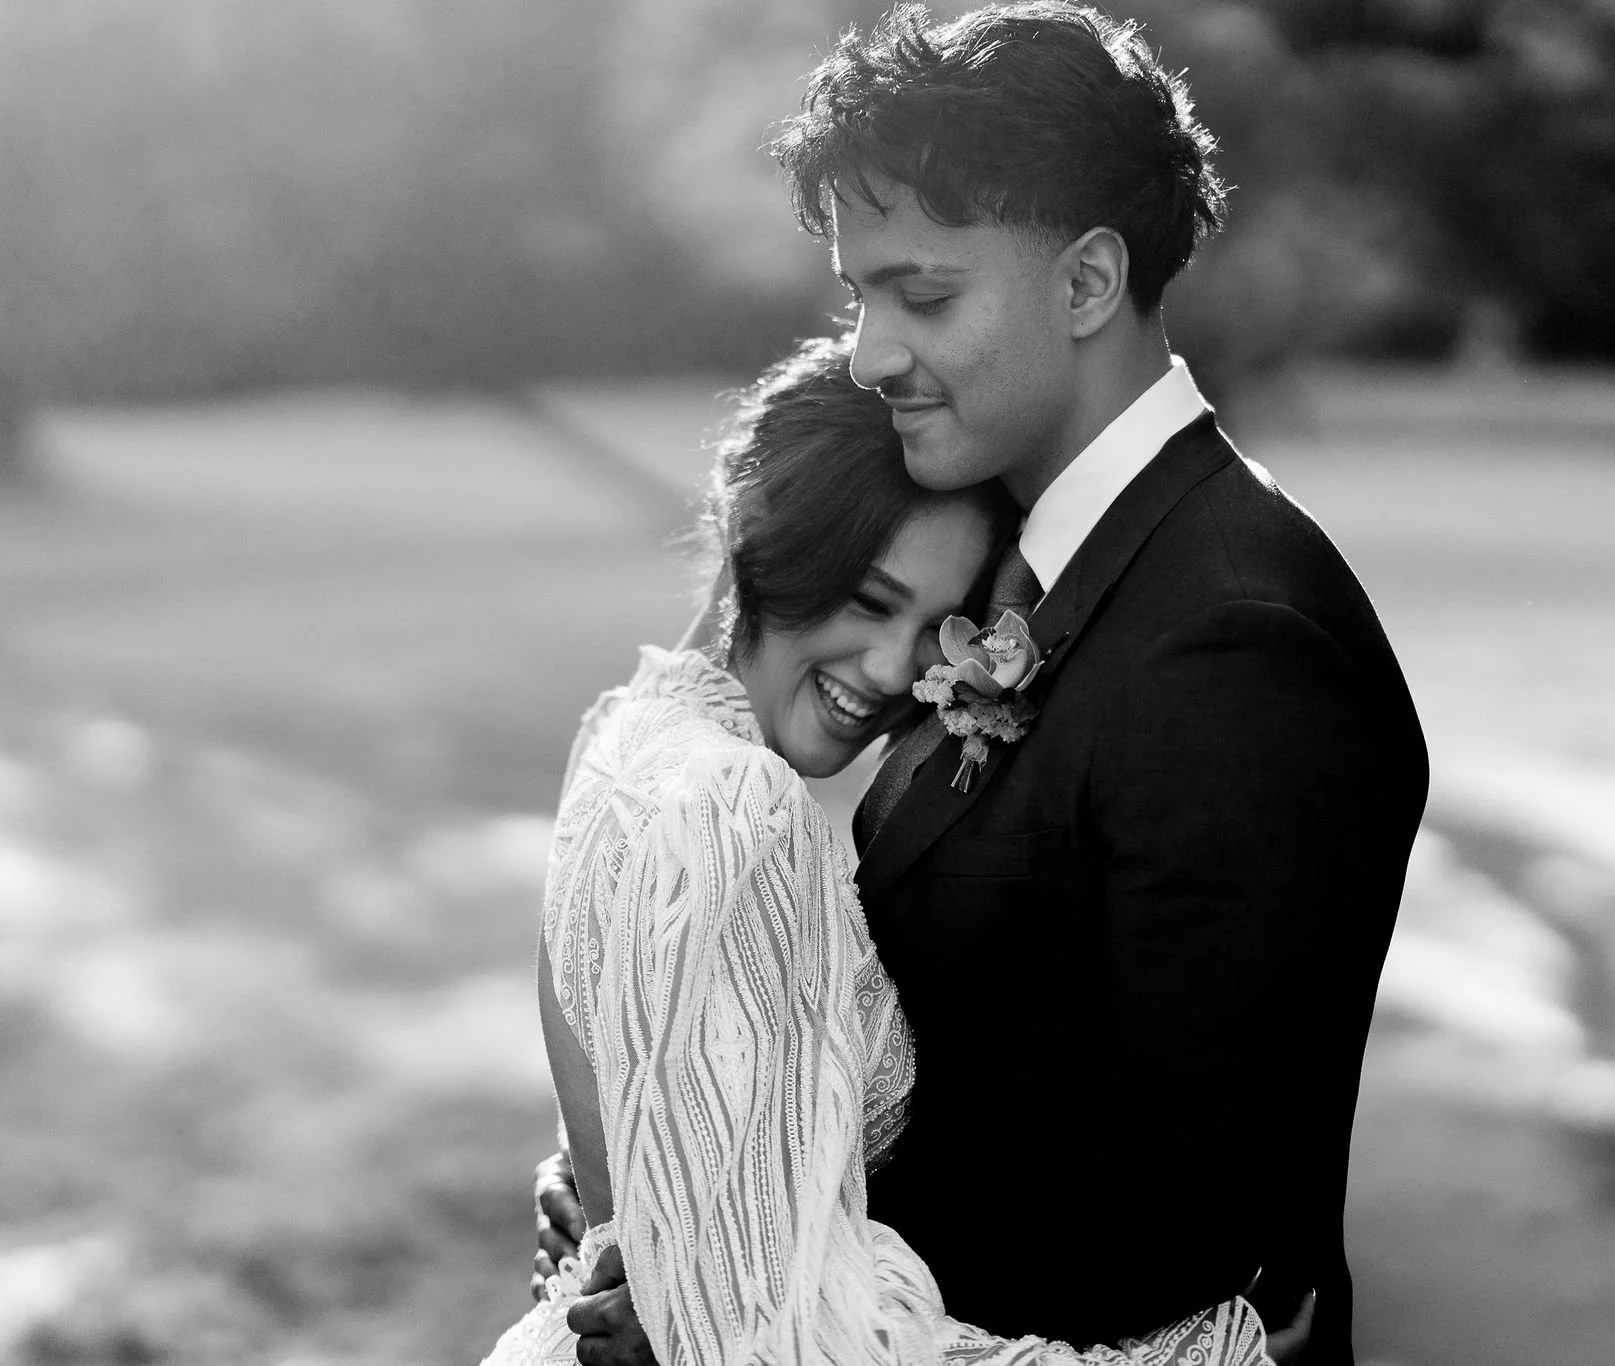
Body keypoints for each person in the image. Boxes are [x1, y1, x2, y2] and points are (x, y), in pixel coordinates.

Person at [542, 6, 1428, 1365]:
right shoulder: (1013, 559)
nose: (866, 352)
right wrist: (662, 1160)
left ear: (1083, 285)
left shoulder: (1238, 634)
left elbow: (1157, 1224)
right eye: (857, 297)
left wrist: (734, 1282)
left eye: (923, 294)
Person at [485, 337, 1275, 1366]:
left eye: (936, 624)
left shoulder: (626, 732)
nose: (895, 668)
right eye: (867, 601)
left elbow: (659, 1106)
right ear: (754, 538)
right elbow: (783, 1343)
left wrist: (609, 1206)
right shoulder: (732, 808)